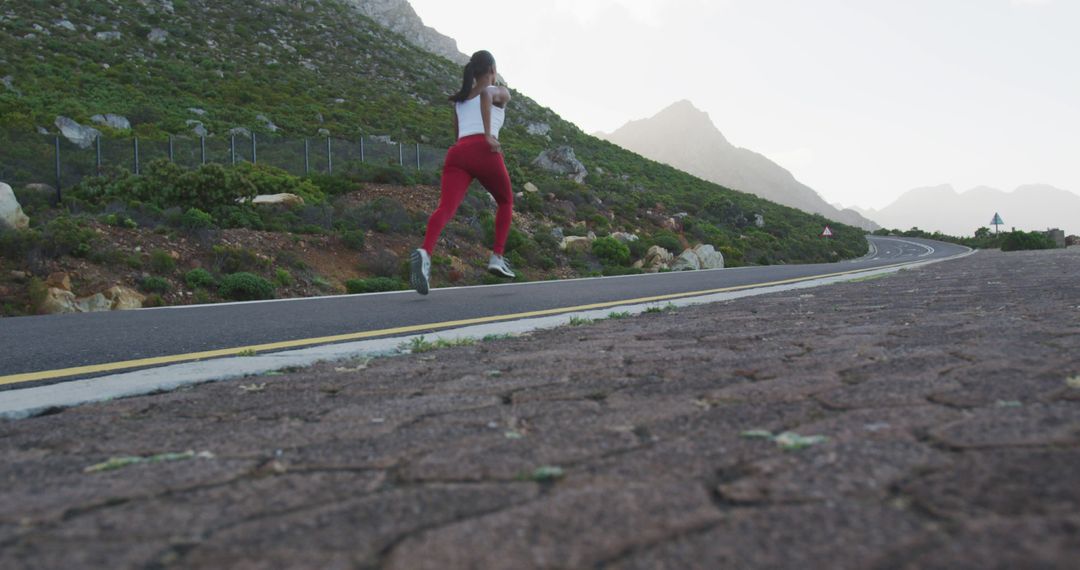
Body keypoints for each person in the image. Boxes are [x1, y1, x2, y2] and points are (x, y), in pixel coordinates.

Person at [410, 50, 515, 295]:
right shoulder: (499, 91)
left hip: (458, 152)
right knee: (506, 201)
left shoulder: (460, 100)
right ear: (492, 70)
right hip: (483, 149)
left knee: (445, 208)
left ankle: (426, 252)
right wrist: (488, 134)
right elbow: (488, 93)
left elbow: (458, 134)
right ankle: (497, 257)